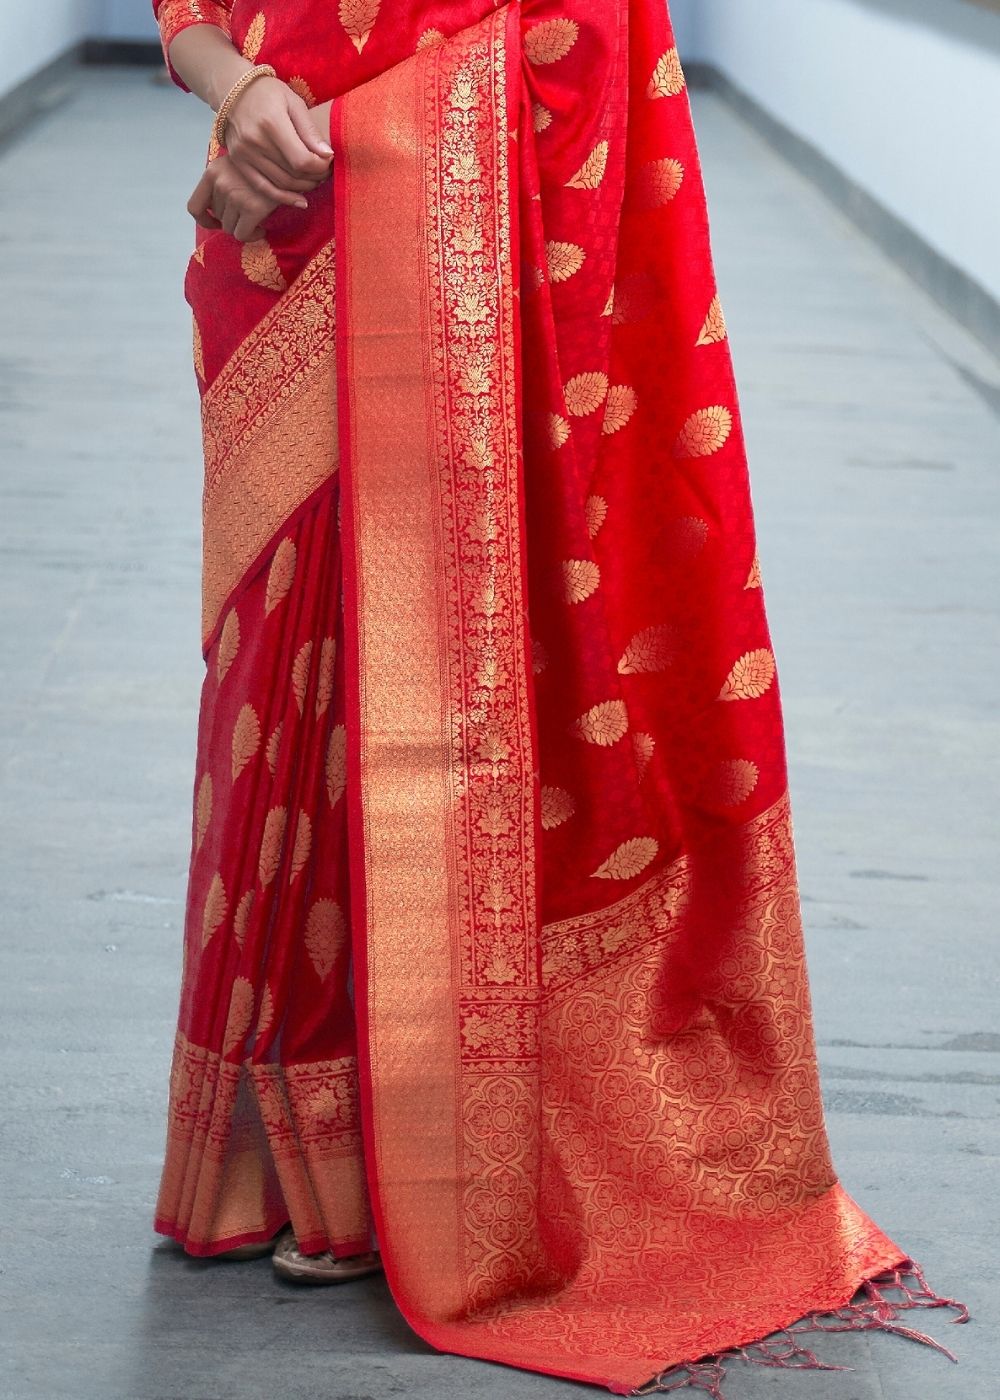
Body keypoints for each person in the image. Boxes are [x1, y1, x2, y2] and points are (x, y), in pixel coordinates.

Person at [151, 0, 967, 1390]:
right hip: (277, 232)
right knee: (295, 681)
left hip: (480, 230)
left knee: (451, 664)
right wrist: (238, 95)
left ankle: (435, 1162)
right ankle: (315, 1153)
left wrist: (354, 133)